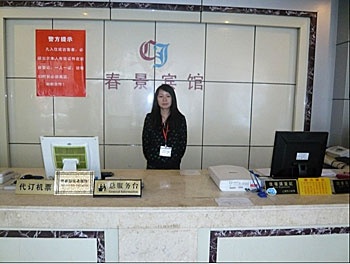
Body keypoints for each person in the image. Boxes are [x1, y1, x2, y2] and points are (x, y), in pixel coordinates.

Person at [142, 84, 187, 169]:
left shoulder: (180, 119)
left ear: (172, 99)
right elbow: (146, 144)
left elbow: (182, 145)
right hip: (153, 166)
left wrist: (172, 161)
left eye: (168, 96)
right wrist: (156, 160)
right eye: (161, 96)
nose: (164, 100)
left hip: (173, 167)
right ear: (156, 99)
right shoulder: (150, 118)